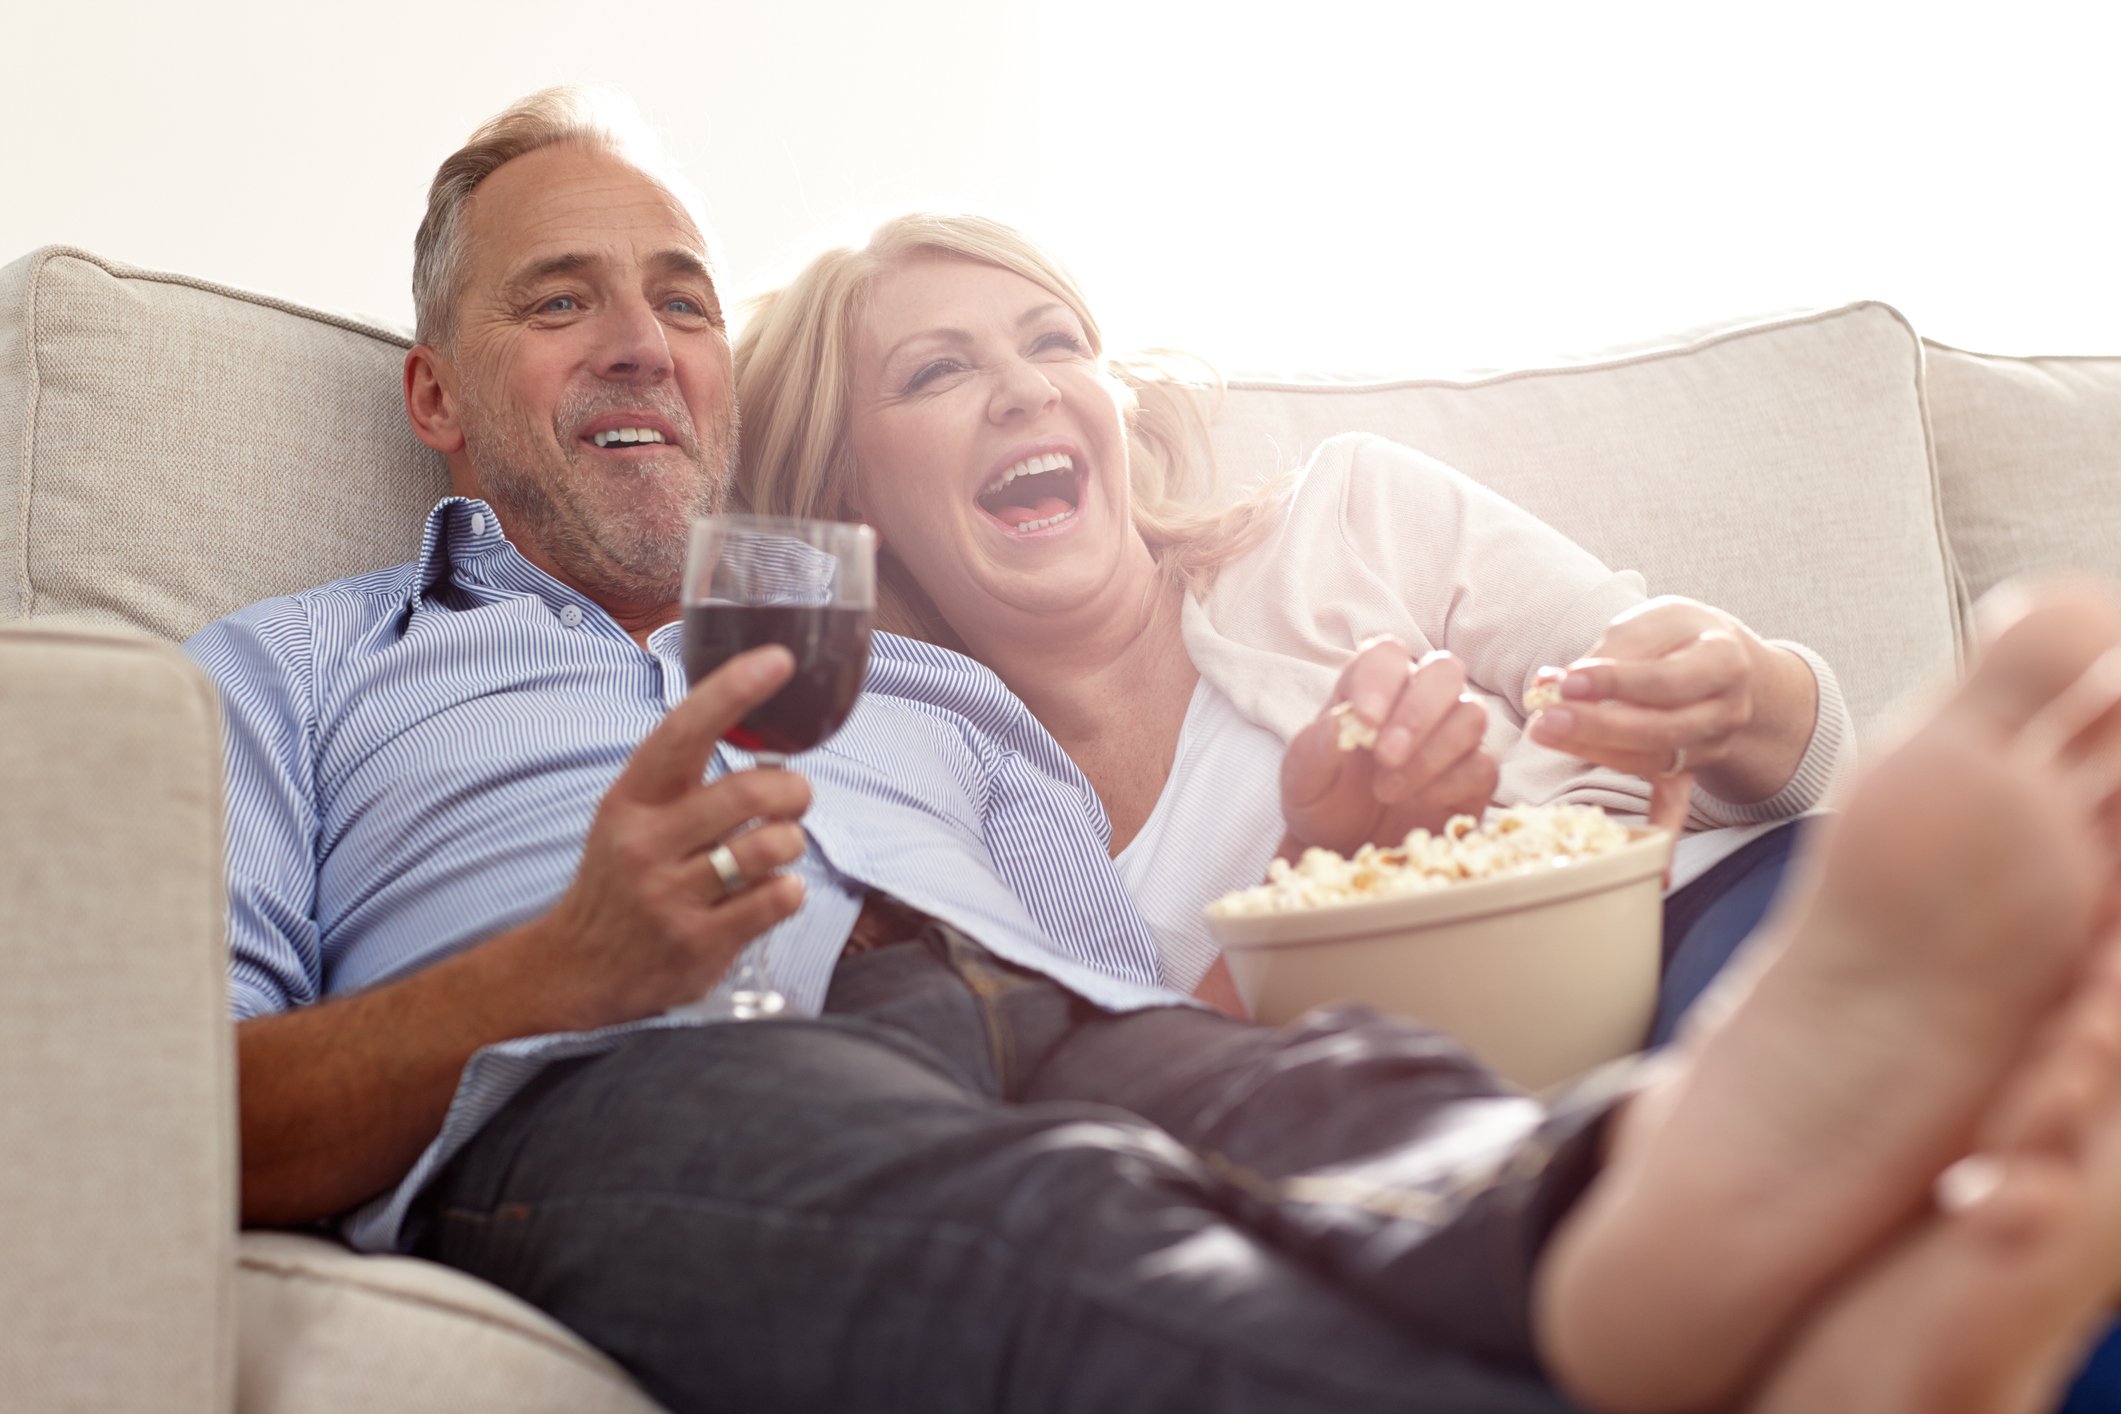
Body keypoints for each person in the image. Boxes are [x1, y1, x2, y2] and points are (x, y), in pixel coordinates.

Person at [193, 84, 2121, 1414]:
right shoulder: (282, 677)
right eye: (562, 301)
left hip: (1046, 1020)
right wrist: (557, 968)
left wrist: (1312, 880)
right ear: (436, 394)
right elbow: (148, 1113)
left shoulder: (919, 675)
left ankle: (1650, 1201)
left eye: (682, 300)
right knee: (1049, 1215)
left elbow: (1156, 988)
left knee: (1354, 1102)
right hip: (613, 1079)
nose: (642, 342)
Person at [731, 214, 1849, 1032]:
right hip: (1445, 1129)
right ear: (848, 501)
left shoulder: (1352, 514)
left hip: (1691, 930)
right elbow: (1125, 1111)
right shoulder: (922, 799)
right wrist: (1324, 871)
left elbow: (1765, 767)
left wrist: (1741, 687)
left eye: (1056, 342)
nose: (1028, 389)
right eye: (936, 371)